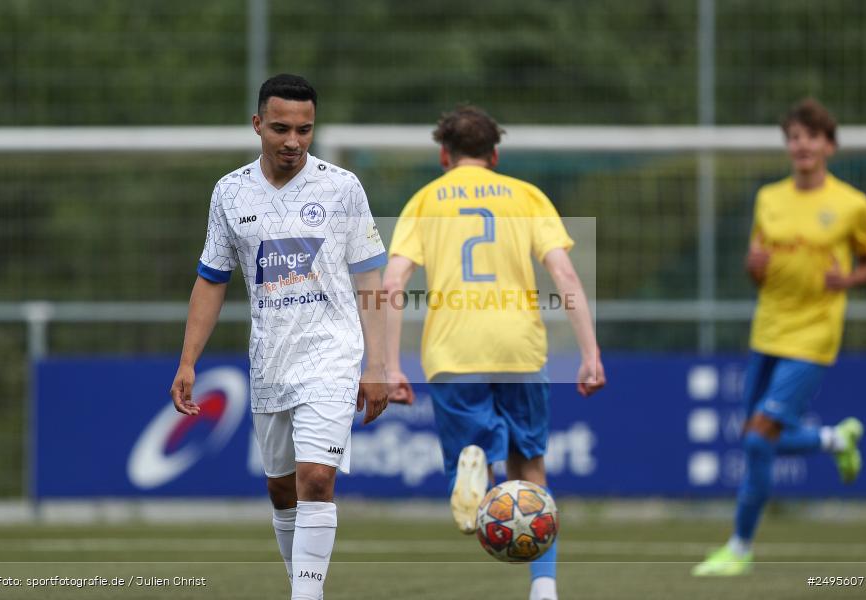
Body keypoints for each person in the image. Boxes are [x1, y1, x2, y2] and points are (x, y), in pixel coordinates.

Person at [169, 73, 389, 600]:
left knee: (317, 476)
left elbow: (370, 278)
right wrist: (187, 362)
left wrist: (379, 363)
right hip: (271, 360)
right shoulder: (230, 192)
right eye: (281, 128)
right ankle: (302, 584)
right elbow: (211, 279)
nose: (294, 141)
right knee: (282, 487)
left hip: (333, 352)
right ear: (257, 124)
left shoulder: (342, 187)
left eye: (305, 130)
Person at [382, 105, 605, 600]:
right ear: (495, 154)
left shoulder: (425, 200)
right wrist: (590, 352)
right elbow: (565, 276)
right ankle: (543, 588)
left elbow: (394, 282)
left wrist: (390, 364)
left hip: (453, 351)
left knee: (470, 454)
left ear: (444, 154)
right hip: (518, 347)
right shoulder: (526, 196)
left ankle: (474, 471)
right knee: (530, 467)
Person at [693, 98, 866, 576]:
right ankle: (836, 439)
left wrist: (849, 281)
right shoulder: (769, 198)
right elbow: (759, 267)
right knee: (753, 437)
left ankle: (738, 548)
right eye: (794, 137)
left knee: (758, 440)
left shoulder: (852, 205)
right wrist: (753, 270)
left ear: (829, 146)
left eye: (812, 136)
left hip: (814, 334)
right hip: (768, 328)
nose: (802, 145)